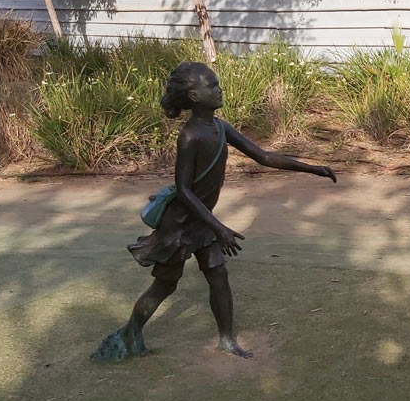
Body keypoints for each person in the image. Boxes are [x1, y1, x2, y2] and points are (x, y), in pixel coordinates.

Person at [93, 61, 336, 362]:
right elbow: (184, 190)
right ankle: (131, 331)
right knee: (165, 284)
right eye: (213, 86)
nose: (220, 90)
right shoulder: (190, 136)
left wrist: (312, 168)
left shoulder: (220, 127)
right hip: (180, 224)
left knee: (218, 275)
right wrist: (220, 228)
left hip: (202, 220)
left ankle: (226, 340)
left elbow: (264, 156)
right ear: (194, 96)